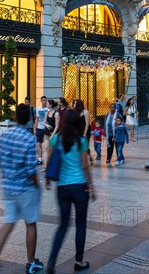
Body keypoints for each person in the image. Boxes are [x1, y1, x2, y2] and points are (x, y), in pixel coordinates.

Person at [0, 104, 43, 274]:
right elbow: (31, 169)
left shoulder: (5, 135)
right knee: (30, 224)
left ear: (16, 117)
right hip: (25, 187)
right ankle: (31, 262)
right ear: (30, 119)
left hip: (8, 186)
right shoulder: (29, 138)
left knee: (8, 223)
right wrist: (37, 184)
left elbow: (0, 161)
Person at [45, 108, 96, 274]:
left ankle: (52, 260)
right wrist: (91, 186)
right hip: (80, 187)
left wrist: (47, 179)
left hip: (62, 187)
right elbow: (84, 166)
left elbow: (50, 161)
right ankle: (79, 261)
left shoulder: (56, 139)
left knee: (63, 225)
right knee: (81, 224)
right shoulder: (81, 141)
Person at [42, 99, 60, 171]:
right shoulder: (47, 112)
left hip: (54, 133)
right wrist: (46, 125)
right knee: (45, 148)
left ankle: (52, 166)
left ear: (51, 105)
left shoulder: (56, 113)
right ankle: (46, 166)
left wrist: (52, 135)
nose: (46, 104)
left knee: (52, 150)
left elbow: (57, 126)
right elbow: (44, 122)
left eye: (47, 103)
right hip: (46, 132)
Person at [34, 96, 48, 165]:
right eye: (43, 100)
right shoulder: (38, 109)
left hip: (46, 128)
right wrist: (35, 129)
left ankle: (46, 159)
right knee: (38, 144)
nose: (44, 101)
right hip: (39, 128)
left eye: (45, 100)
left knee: (45, 145)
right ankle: (39, 159)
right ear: (41, 101)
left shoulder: (48, 109)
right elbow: (36, 119)